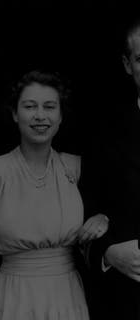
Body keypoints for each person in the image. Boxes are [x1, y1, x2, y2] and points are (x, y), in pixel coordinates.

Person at [0, 70, 108, 319]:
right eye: (30, 106)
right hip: (10, 298)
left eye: (49, 107)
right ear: (15, 114)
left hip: (67, 298)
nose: (40, 116)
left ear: (61, 116)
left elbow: (110, 210)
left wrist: (103, 217)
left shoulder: (77, 168)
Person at [80, 17, 140, 320]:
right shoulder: (104, 133)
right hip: (126, 297)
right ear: (128, 65)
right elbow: (87, 206)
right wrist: (108, 252)